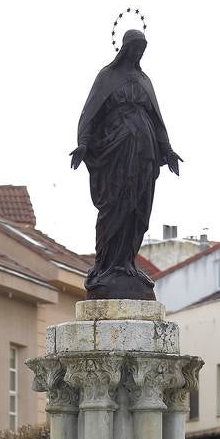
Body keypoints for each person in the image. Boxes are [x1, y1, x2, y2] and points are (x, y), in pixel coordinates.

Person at [70, 29, 182, 301]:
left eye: (141, 50)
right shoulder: (107, 77)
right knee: (115, 205)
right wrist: (83, 143)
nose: (137, 54)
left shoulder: (145, 80)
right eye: (134, 49)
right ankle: (107, 266)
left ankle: (127, 264)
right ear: (124, 49)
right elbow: (90, 113)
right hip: (116, 153)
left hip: (144, 154)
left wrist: (167, 149)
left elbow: (157, 120)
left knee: (138, 210)